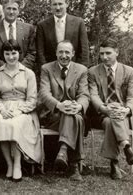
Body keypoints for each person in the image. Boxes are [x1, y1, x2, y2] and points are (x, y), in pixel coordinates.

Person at [0, 40, 42, 182]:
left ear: (19, 53)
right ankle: (9, 164)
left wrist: (20, 111)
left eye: (14, 53)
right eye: (7, 53)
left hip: (23, 110)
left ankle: (17, 164)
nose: (11, 57)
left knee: (15, 124)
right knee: (1, 123)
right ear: (3, 55)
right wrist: (2, 110)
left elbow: (32, 99)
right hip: (3, 108)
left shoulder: (28, 73)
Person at [87, 39, 133, 179]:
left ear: (117, 52)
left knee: (113, 120)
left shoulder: (128, 71)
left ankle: (115, 162)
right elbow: (93, 95)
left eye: (108, 53)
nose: (104, 57)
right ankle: (126, 148)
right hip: (101, 114)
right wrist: (105, 108)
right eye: (102, 54)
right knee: (110, 118)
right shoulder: (93, 72)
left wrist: (127, 109)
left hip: (124, 115)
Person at [38, 40, 89, 181]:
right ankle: (74, 166)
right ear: (56, 53)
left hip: (75, 111)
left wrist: (78, 106)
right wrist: (59, 105)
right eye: (60, 52)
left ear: (72, 54)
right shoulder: (46, 69)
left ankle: (63, 151)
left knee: (75, 116)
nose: (64, 55)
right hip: (53, 115)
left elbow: (84, 94)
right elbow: (44, 93)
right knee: (75, 118)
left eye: (67, 52)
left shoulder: (81, 70)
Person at [0, 0, 36, 72]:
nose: (11, 12)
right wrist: (5, 68)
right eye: (8, 8)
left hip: (23, 72)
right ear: (3, 9)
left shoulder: (28, 29)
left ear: (18, 11)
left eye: (14, 9)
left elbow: (32, 52)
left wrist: (20, 68)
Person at [36, 0, 90, 68]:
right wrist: (46, 70)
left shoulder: (78, 23)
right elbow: (40, 53)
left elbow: (84, 51)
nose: (57, 8)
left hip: (74, 70)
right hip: (51, 71)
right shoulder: (42, 26)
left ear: (66, 4)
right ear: (50, 6)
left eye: (60, 4)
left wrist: (81, 71)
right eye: (54, 4)